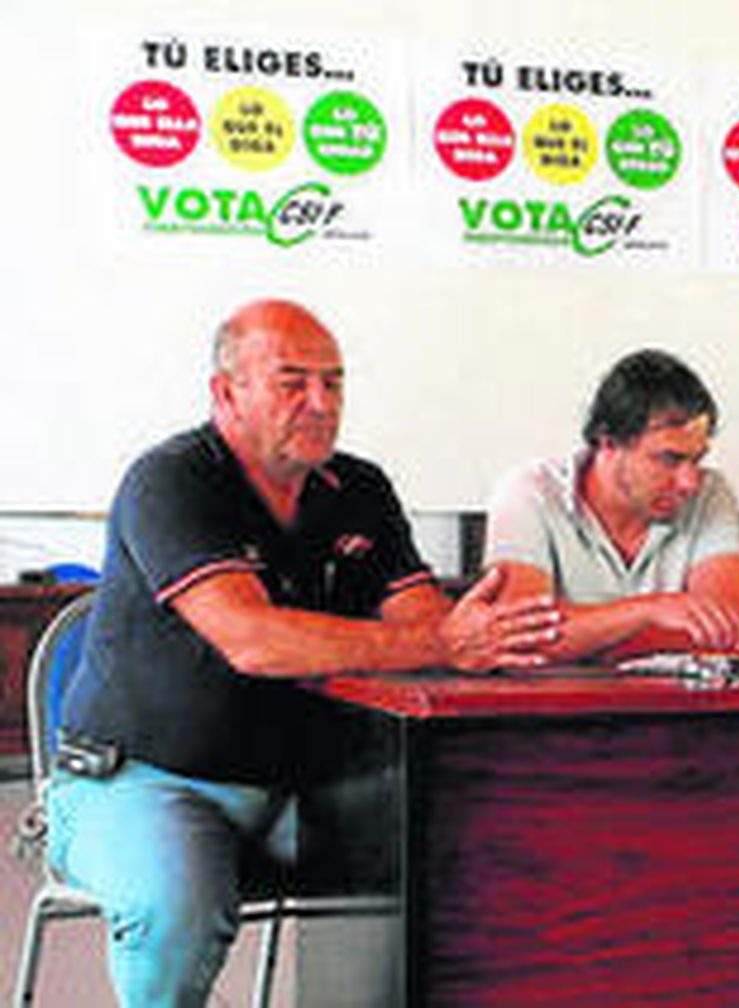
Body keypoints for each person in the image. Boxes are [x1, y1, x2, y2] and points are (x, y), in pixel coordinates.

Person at [49, 299, 562, 1008]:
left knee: (455, 862)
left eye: (335, 383)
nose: (321, 403)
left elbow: (423, 623)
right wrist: (439, 640)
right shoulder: (169, 481)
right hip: (144, 782)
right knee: (178, 909)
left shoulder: (358, 487)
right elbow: (252, 640)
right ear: (225, 393)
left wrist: (458, 634)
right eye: (293, 383)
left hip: (305, 786)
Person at [486, 348, 739, 659]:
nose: (689, 482)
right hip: (555, 706)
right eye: (669, 459)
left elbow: (735, 633)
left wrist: (584, 638)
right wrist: (653, 610)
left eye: (697, 459)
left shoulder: (710, 492)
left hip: (675, 705)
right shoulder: (529, 492)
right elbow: (519, 636)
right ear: (608, 442)